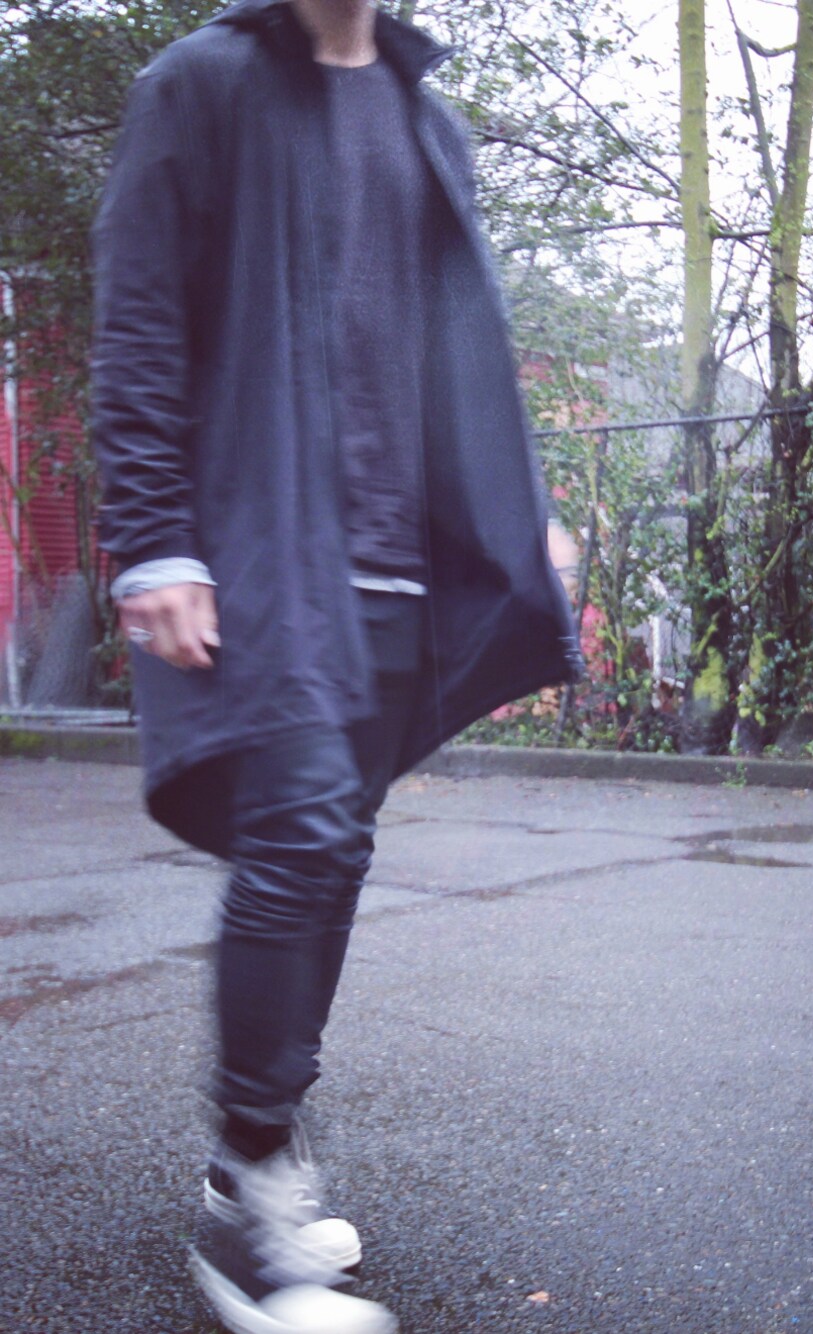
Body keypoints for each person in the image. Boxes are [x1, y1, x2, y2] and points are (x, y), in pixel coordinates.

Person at [91, 0, 582, 1330]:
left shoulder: (427, 117)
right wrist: (153, 538)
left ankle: (251, 1152)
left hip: (396, 561)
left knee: (335, 849)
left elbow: (457, 344)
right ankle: (247, 1197)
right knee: (300, 836)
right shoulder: (201, 86)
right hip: (264, 548)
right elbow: (139, 323)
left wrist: (519, 509)